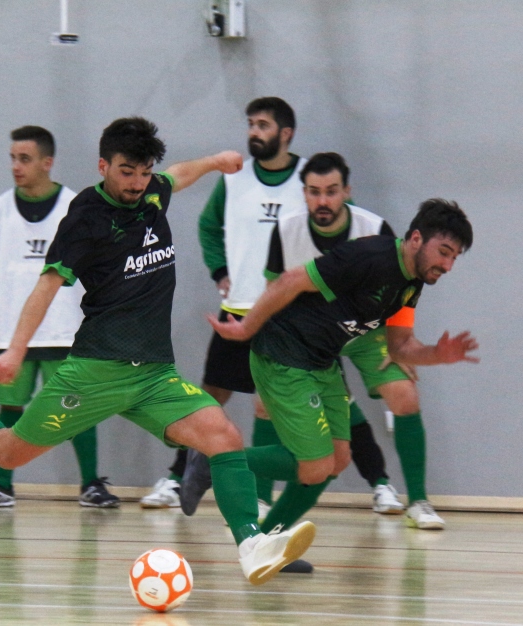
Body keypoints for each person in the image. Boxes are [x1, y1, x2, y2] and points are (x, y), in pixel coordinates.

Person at [0, 117, 316, 586]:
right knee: (8, 452)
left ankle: (251, 545)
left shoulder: (153, 190)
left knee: (224, 436)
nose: (136, 183)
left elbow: (179, 173)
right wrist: (15, 350)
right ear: (103, 165)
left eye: (142, 173)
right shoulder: (85, 216)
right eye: (125, 172)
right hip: (97, 369)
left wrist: (216, 162)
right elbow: (48, 284)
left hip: (154, 374)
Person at [183, 197, 477, 541]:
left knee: (336, 461)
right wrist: (247, 328)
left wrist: (437, 355)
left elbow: (399, 347)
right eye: (444, 252)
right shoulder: (369, 256)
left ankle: (269, 541)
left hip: (321, 362)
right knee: (315, 466)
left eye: (454, 257)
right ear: (416, 238)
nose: (448, 265)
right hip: (284, 354)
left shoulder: (411, 283)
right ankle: (215, 460)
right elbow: (291, 280)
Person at [141, 97, 305, 514]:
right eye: (251, 123)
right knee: (206, 398)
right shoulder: (234, 179)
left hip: (287, 313)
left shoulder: (310, 180)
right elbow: (208, 227)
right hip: (238, 308)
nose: (254, 132)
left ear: (285, 134)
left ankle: (263, 497)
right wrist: (219, 270)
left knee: (267, 402)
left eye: (263, 125)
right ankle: (178, 476)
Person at [0, 125, 119, 509]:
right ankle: (1, 485)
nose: (16, 166)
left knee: (75, 409)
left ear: (47, 163)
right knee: (10, 411)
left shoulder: (77, 207)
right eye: (13, 158)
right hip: (10, 334)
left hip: (64, 332)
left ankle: (91, 485)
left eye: (25, 159)